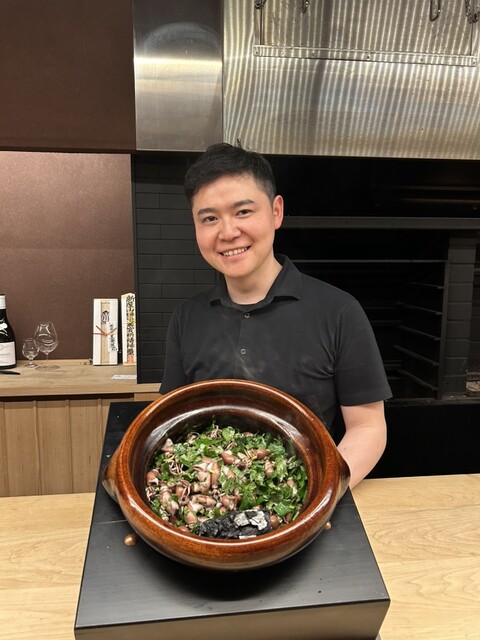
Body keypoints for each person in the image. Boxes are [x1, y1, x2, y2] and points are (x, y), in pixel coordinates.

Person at [160, 143, 392, 488]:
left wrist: (320, 493)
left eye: (243, 211)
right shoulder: (186, 318)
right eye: (209, 218)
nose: (227, 232)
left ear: (276, 212)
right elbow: (169, 422)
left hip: (307, 492)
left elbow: (367, 426)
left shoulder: (339, 311)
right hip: (209, 500)